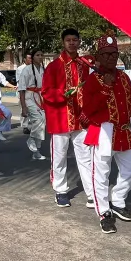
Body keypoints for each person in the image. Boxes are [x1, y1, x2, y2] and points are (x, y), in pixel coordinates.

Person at [81, 34, 131, 233]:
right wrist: (105, 88)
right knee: (101, 175)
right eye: (106, 54)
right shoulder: (93, 80)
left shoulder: (125, 78)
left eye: (114, 53)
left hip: (125, 131)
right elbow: (89, 110)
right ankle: (104, 212)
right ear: (99, 56)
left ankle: (117, 200)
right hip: (104, 131)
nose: (111, 57)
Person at [42, 28, 94, 208]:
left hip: (81, 119)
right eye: (68, 40)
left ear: (79, 42)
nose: (72, 43)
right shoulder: (54, 66)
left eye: (75, 40)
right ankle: (61, 190)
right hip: (60, 118)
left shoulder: (84, 64)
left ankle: (91, 192)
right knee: (59, 156)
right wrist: (63, 94)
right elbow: (46, 92)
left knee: (85, 156)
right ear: (63, 43)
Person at [18, 49, 46, 160]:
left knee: (42, 121)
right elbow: (21, 89)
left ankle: (36, 151)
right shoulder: (27, 70)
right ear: (32, 57)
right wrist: (24, 107)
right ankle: (31, 139)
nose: (40, 57)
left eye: (41, 55)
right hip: (29, 97)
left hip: (41, 97)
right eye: (37, 55)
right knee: (38, 120)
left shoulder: (43, 69)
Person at [16, 54, 33, 134]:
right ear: (24, 59)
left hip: (33, 92)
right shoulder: (20, 69)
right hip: (24, 91)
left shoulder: (34, 67)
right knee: (24, 108)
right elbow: (21, 82)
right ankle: (25, 126)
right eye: (29, 58)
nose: (31, 59)